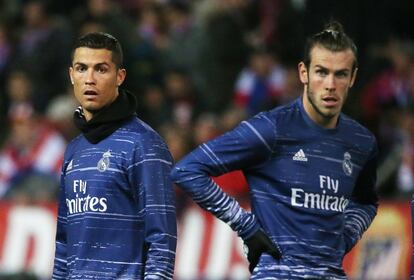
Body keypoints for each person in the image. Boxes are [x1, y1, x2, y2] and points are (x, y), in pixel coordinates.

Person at [171, 21, 378, 279]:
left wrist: (346, 237)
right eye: (321, 72)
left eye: (341, 74)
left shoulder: (361, 141)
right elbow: (187, 170)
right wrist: (246, 225)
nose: (330, 84)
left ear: (353, 77)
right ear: (303, 73)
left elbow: (366, 201)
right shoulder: (270, 129)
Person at [52, 32, 176, 279]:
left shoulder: (144, 144)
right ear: (71, 75)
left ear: (120, 76)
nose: (89, 79)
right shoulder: (74, 149)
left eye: (101, 69)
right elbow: (64, 244)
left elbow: (162, 239)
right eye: (81, 68)